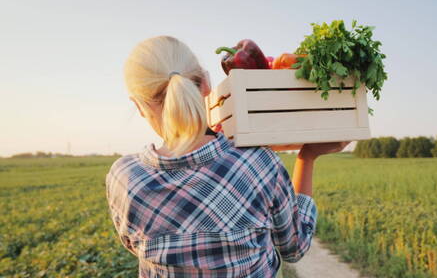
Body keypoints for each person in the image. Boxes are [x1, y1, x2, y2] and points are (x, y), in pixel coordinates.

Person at [105, 36, 350, 278]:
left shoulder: (125, 178)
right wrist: (306, 158)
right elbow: (294, 248)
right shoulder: (259, 163)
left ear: (139, 105)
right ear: (206, 84)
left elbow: (133, 244)